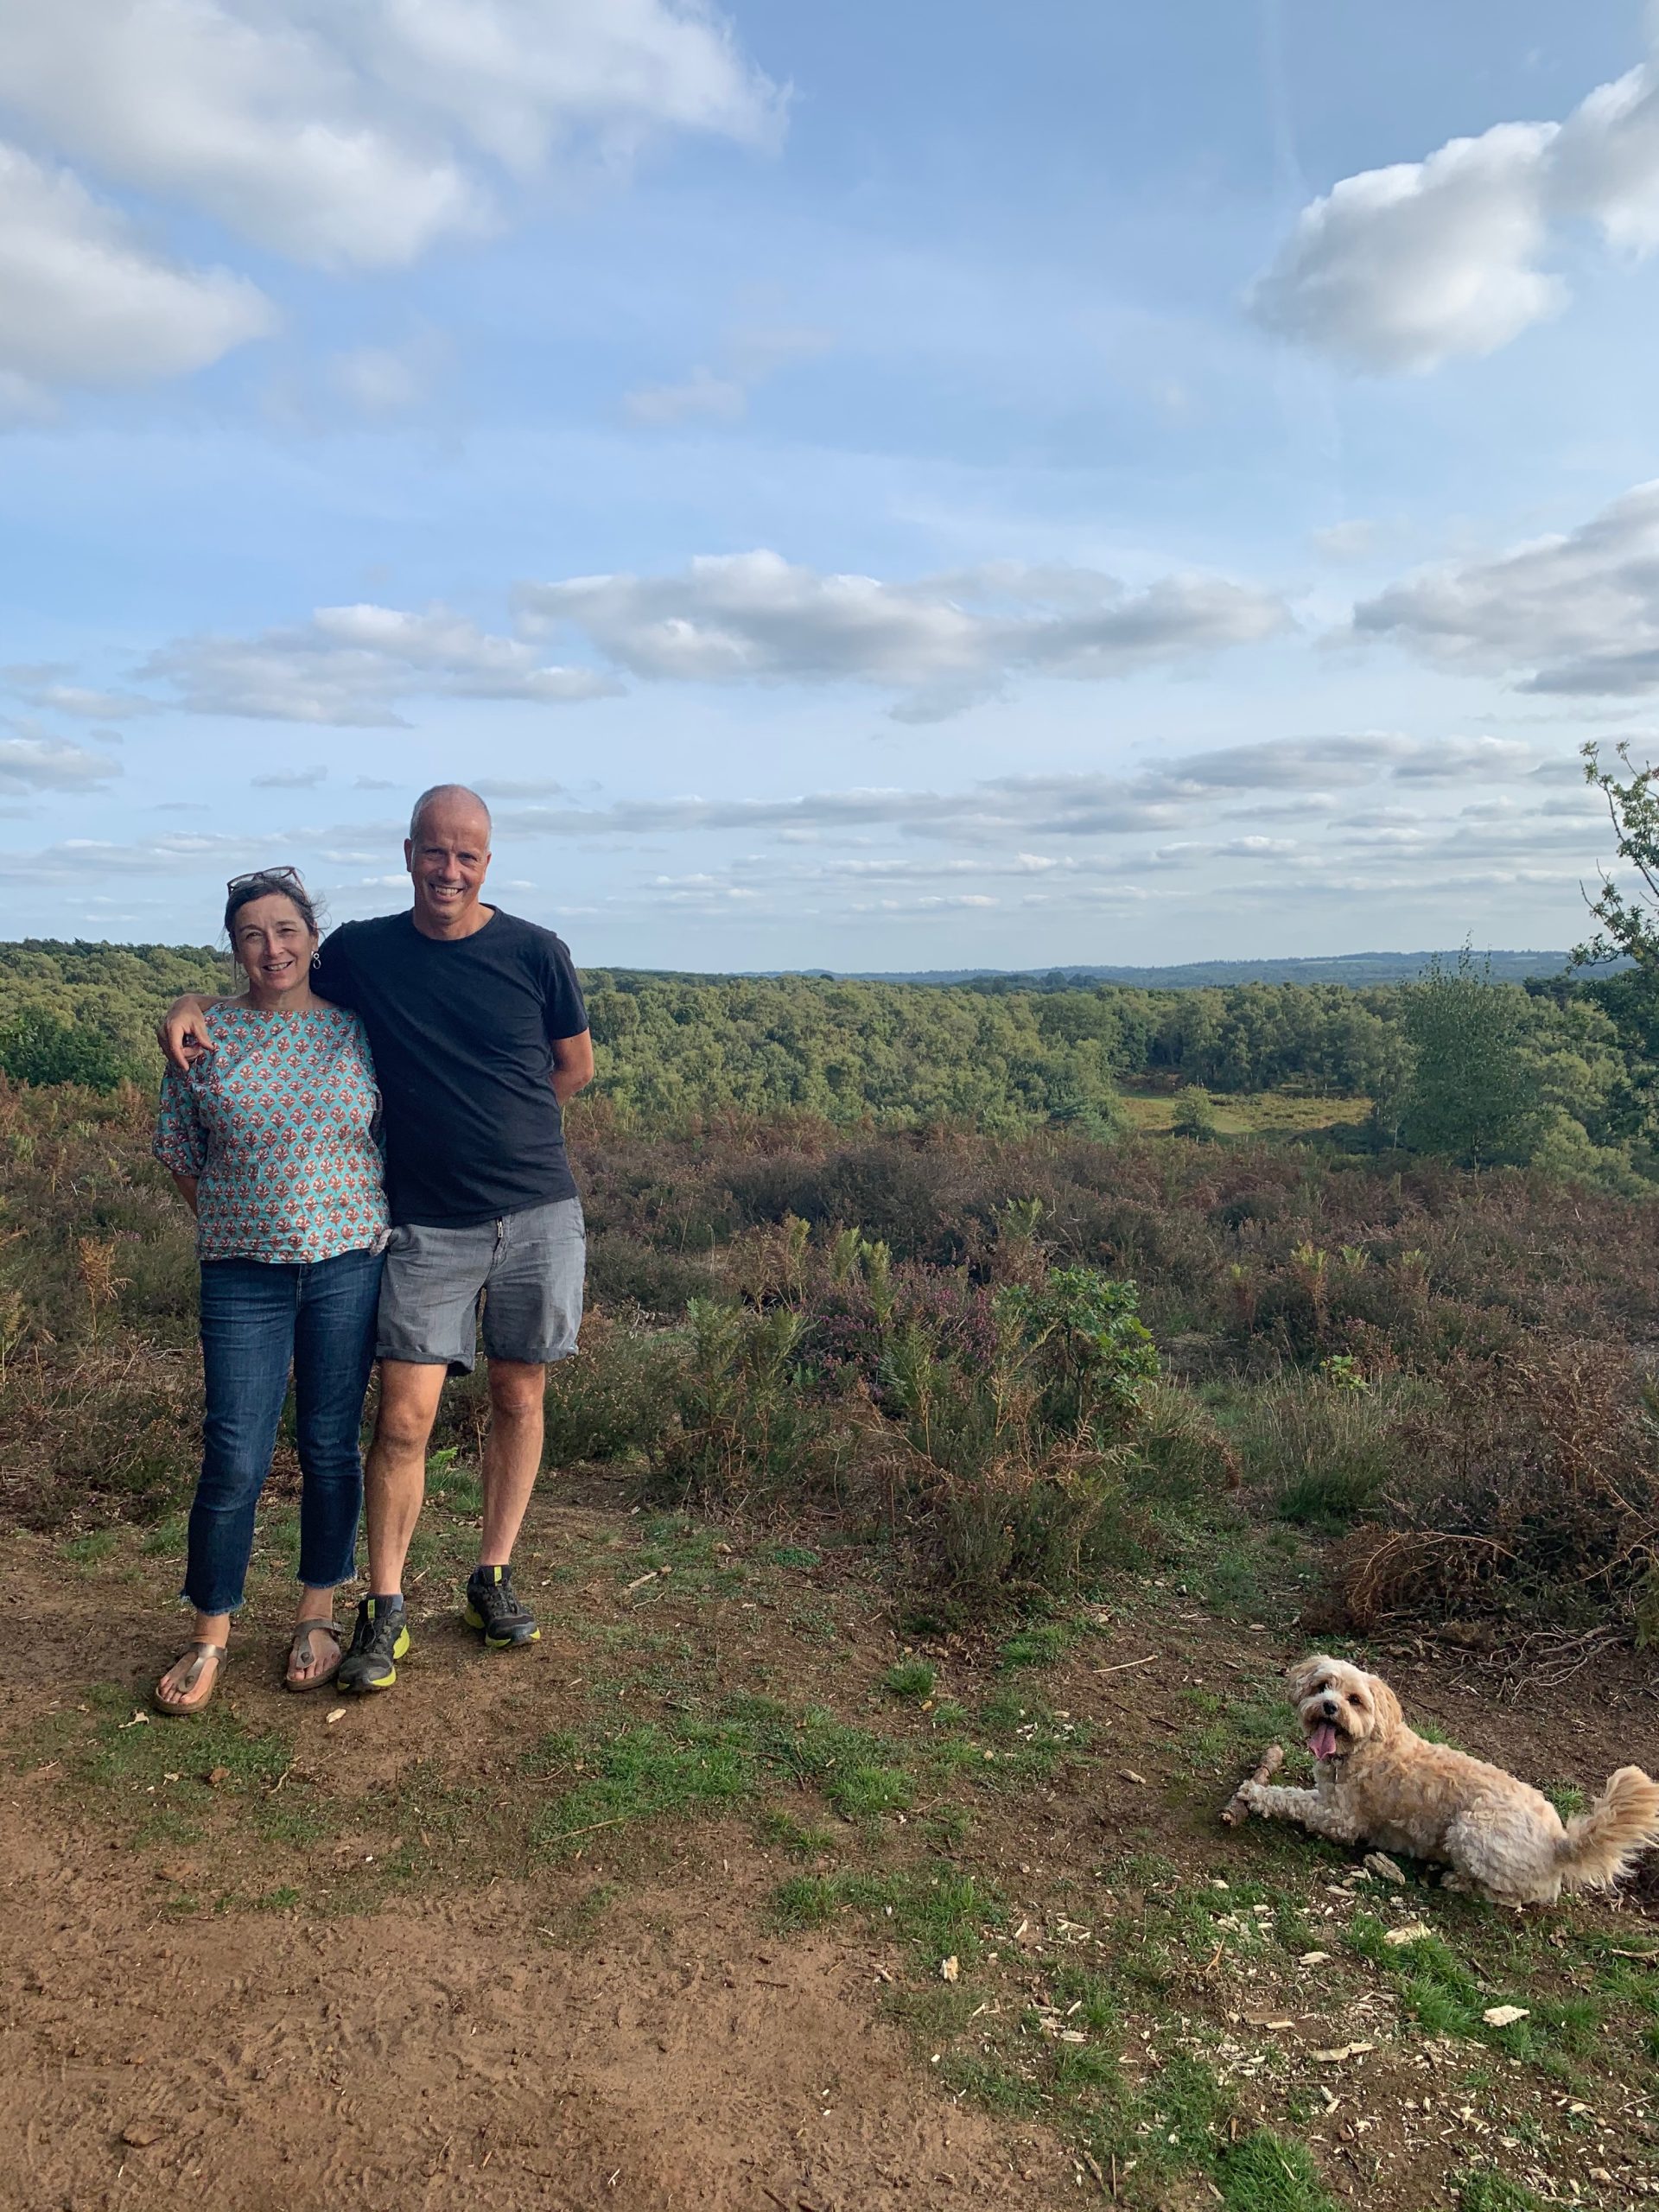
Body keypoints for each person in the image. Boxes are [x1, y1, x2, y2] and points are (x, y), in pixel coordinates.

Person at [159, 786, 594, 1697]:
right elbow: (266, 987)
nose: (449, 870)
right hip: (420, 1224)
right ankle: (381, 1605)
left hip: (530, 1213)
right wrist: (189, 997)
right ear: (407, 854)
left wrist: (499, 1129)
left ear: (488, 861)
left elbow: (573, 1066)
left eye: (467, 855)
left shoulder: (535, 952)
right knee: (397, 1418)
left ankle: (491, 1578)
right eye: (435, 852)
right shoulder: (365, 952)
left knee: (516, 1395)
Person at [152, 868, 388, 1713]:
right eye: (252, 933)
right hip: (240, 1277)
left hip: (346, 1267)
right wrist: (235, 1219)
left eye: (286, 929)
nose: (272, 947)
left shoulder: (360, 1032)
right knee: (234, 1456)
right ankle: (210, 1630)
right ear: (234, 947)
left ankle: (318, 1612)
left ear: (312, 938)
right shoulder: (202, 1034)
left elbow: (394, 1141)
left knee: (329, 1443)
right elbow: (180, 1149)